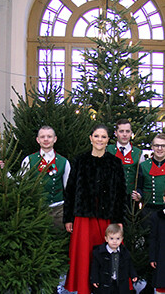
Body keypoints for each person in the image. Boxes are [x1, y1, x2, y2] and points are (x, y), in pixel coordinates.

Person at [63, 124, 127, 294]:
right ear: (90, 138)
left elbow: (121, 193)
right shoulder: (79, 161)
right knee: (84, 257)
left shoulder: (115, 163)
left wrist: (118, 219)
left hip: (107, 219)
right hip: (83, 217)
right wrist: (68, 218)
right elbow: (70, 191)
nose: (100, 140)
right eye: (96, 136)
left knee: (108, 256)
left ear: (108, 140)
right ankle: (84, 288)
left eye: (103, 137)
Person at [131, 133, 165, 294]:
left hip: (164, 212)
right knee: (149, 246)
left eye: (163, 146)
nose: (159, 148)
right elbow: (139, 186)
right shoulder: (144, 166)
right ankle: (150, 283)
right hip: (148, 211)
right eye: (157, 145)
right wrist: (139, 195)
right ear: (152, 147)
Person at [21, 126, 71, 229]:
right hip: (36, 210)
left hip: (58, 210)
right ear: (38, 140)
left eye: (49, 136)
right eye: (42, 137)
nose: (46, 139)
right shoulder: (28, 160)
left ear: (55, 139)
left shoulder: (64, 162)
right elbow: (23, 186)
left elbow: (69, 189)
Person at [91, 223, 138, 294]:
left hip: (120, 282)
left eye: (118, 238)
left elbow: (129, 264)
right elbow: (95, 268)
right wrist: (95, 279)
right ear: (106, 239)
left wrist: (133, 274)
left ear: (122, 239)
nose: (115, 241)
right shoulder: (99, 253)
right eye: (111, 238)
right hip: (105, 282)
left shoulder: (124, 252)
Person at [107, 119, 145, 196]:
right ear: (116, 133)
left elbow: (142, 179)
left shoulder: (139, 153)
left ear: (131, 133)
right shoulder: (107, 150)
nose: (124, 134)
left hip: (130, 198)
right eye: (121, 131)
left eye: (127, 131)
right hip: (110, 197)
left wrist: (139, 193)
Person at [149, 195, 165, 294]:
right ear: (164, 198)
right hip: (161, 256)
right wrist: (152, 258)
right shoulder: (157, 216)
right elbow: (153, 238)